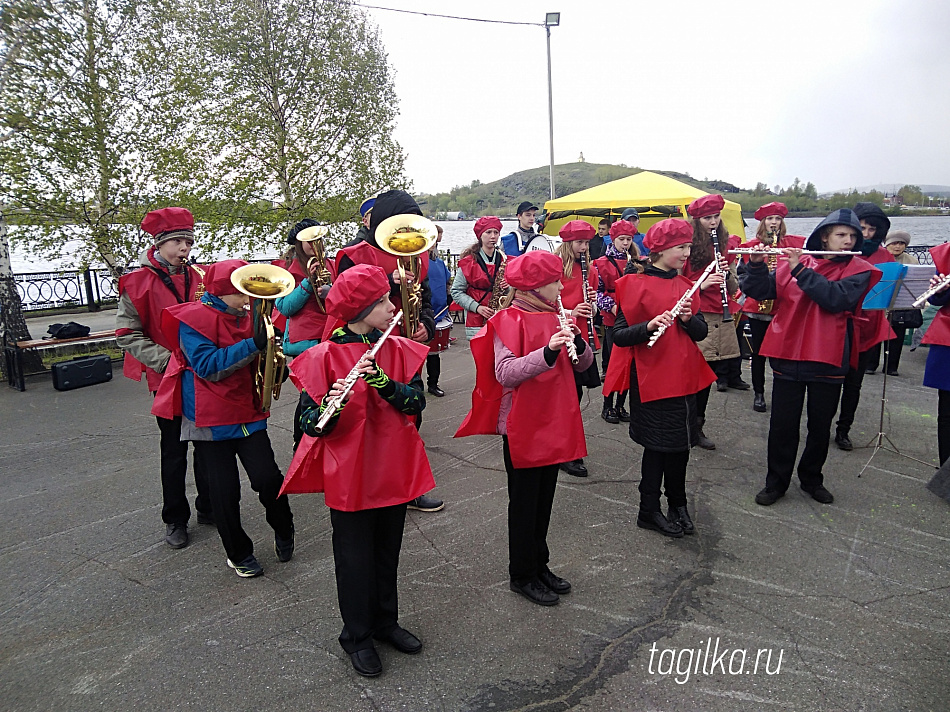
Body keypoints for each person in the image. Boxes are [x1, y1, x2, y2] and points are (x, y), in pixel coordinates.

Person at [281, 264, 434, 677]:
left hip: (394, 466)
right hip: (350, 472)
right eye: (383, 301)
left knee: (388, 552)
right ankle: (357, 635)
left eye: (389, 299)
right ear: (361, 309)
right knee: (354, 559)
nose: (391, 307)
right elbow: (310, 426)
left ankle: (386, 623)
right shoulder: (323, 356)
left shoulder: (397, 348)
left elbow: (416, 404)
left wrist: (384, 383)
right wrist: (332, 407)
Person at [455, 250, 593, 606]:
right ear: (532, 287)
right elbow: (506, 373)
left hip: (554, 418)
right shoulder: (507, 320)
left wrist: (577, 341)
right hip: (523, 424)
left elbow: (584, 367)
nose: (560, 286)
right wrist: (547, 352)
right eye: (552, 281)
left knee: (544, 499)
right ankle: (522, 573)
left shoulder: (557, 314)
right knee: (525, 503)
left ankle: (540, 563)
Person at [152, 259, 295, 577]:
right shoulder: (192, 319)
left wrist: (275, 359)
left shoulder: (252, 316)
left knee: (267, 478)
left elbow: (266, 359)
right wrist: (253, 344)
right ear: (220, 291)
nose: (248, 300)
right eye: (240, 293)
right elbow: (207, 366)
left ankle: (284, 528)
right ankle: (238, 553)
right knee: (223, 492)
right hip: (210, 416)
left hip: (247, 409)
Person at [741, 209, 880, 507]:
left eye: (853, 236)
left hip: (828, 356)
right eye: (841, 235)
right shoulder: (801, 260)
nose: (848, 241)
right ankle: (776, 482)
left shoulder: (859, 269)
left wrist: (800, 271)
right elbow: (761, 291)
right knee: (782, 425)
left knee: (820, 427)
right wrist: (754, 266)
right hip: (788, 353)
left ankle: (811, 479)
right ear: (824, 237)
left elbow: (836, 299)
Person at [604, 218, 716, 537]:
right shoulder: (634, 284)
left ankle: (677, 504)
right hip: (652, 377)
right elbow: (620, 335)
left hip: (685, 377)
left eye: (688, 246)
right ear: (662, 250)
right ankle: (648, 510)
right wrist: (650, 326)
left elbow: (701, 332)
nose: (686, 253)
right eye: (681, 247)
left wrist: (686, 319)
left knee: (681, 445)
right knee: (657, 448)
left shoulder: (685, 286)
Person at [335, 189, 443, 512]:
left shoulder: (418, 253)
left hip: (404, 345)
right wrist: (389, 282)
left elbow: (423, 296)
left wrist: (426, 324)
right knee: (366, 418)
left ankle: (406, 485)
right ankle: (367, 480)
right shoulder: (355, 255)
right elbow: (346, 298)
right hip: (364, 347)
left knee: (411, 412)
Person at [116, 206, 212, 549]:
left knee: (206, 446)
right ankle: (175, 519)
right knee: (173, 451)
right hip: (169, 378)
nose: (185, 248)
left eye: (188, 241)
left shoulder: (200, 276)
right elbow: (127, 333)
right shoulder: (137, 281)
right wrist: (165, 361)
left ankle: (208, 506)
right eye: (177, 242)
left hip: (203, 375)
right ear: (159, 244)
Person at [681, 194, 744, 450]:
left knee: (708, 374)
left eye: (716, 217)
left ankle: (697, 427)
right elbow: (678, 285)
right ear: (697, 221)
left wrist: (726, 272)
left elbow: (733, 287)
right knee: (692, 373)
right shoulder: (687, 246)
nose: (714, 222)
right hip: (697, 313)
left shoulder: (725, 244)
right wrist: (703, 283)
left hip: (720, 313)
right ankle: (685, 426)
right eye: (708, 218)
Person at [834, 202, 896, 450]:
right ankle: (820, 425)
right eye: (862, 228)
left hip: (869, 327)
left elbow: (891, 292)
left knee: (854, 383)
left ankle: (843, 429)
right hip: (840, 325)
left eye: (872, 229)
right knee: (831, 380)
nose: (867, 234)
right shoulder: (842, 252)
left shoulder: (886, 257)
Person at [739, 202, 805, 413]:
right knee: (758, 353)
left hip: (782, 307)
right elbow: (743, 277)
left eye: (777, 219)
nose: (774, 223)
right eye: (770, 219)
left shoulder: (792, 244)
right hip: (758, 308)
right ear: (762, 222)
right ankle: (759, 393)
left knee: (781, 353)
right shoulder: (751, 245)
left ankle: (781, 392)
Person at [274, 218, 332, 449]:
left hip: (328, 334)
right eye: (308, 240)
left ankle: (317, 439)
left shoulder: (330, 263)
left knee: (325, 393)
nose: (314, 243)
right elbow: (284, 307)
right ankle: (302, 441)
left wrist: (332, 290)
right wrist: (308, 284)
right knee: (310, 394)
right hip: (306, 340)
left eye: (317, 238)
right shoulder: (291, 269)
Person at [554, 220, 600, 477]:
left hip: (581, 335)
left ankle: (569, 444)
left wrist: (591, 306)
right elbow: (549, 303)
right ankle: (566, 449)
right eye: (579, 243)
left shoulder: (590, 269)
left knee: (577, 393)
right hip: (561, 335)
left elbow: (593, 310)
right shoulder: (555, 266)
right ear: (568, 243)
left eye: (586, 243)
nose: (584, 248)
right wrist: (572, 310)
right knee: (565, 394)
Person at [595, 220, 637, 423]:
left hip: (632, 316)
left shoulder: (637, 261)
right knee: (614, 363)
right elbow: (598, 291)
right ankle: (607, 406)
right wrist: (612, 306)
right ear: (613, 239)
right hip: (613, 318)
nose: (626, 243)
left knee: (629, 364)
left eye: (629, 239)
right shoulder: (601, 263)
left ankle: (620, 405)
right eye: (622, 239)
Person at [865, 230, 921, 376]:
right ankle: (871, 364)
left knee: (897, 334)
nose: (898, 246)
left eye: (901, 243)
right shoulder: (879, 257)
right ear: (887, 244)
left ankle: (891, 366)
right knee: (875, 333)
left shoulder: (912, 261)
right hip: (879, 300)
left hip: (900, 301)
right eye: (894, 243)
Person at [920, 242, 950, 467]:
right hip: (948, 339)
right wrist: (940, 290)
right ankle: (946, 473)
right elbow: (936, 300)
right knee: (947, 412)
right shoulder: (946, 254)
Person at [451, 216, 506, 339]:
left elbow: (513, 292)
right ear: (480, 235)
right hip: (476, 319)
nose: (493, 236)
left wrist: (509, 285)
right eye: (488, 232)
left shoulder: (504, 260)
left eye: (496, 232)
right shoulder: (469, 262)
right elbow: (456, 291)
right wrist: (477, 307)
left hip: (500, 317)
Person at [426, 225, 452, 396]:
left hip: (439, 311)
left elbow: (447, 282)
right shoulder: (417, 263)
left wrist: (448, 296)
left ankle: (433, 384)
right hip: (422, 313)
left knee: (434, 354)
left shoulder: (440, 263)